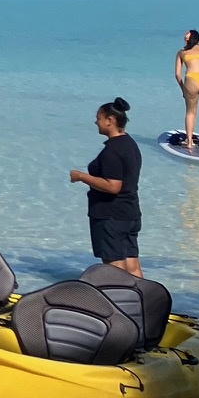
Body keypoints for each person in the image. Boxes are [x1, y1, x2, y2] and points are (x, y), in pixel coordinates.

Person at [70, 96, 142, 277]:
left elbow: (113, 186)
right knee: (132, 265)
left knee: (114, 269)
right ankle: (143, 301)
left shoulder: (112, 151)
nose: (96, 122)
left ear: (110, 120)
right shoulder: (130, 144)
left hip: (112, 216)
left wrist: (81, 176)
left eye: (99, 118)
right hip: (129, 213)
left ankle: (118, 302)